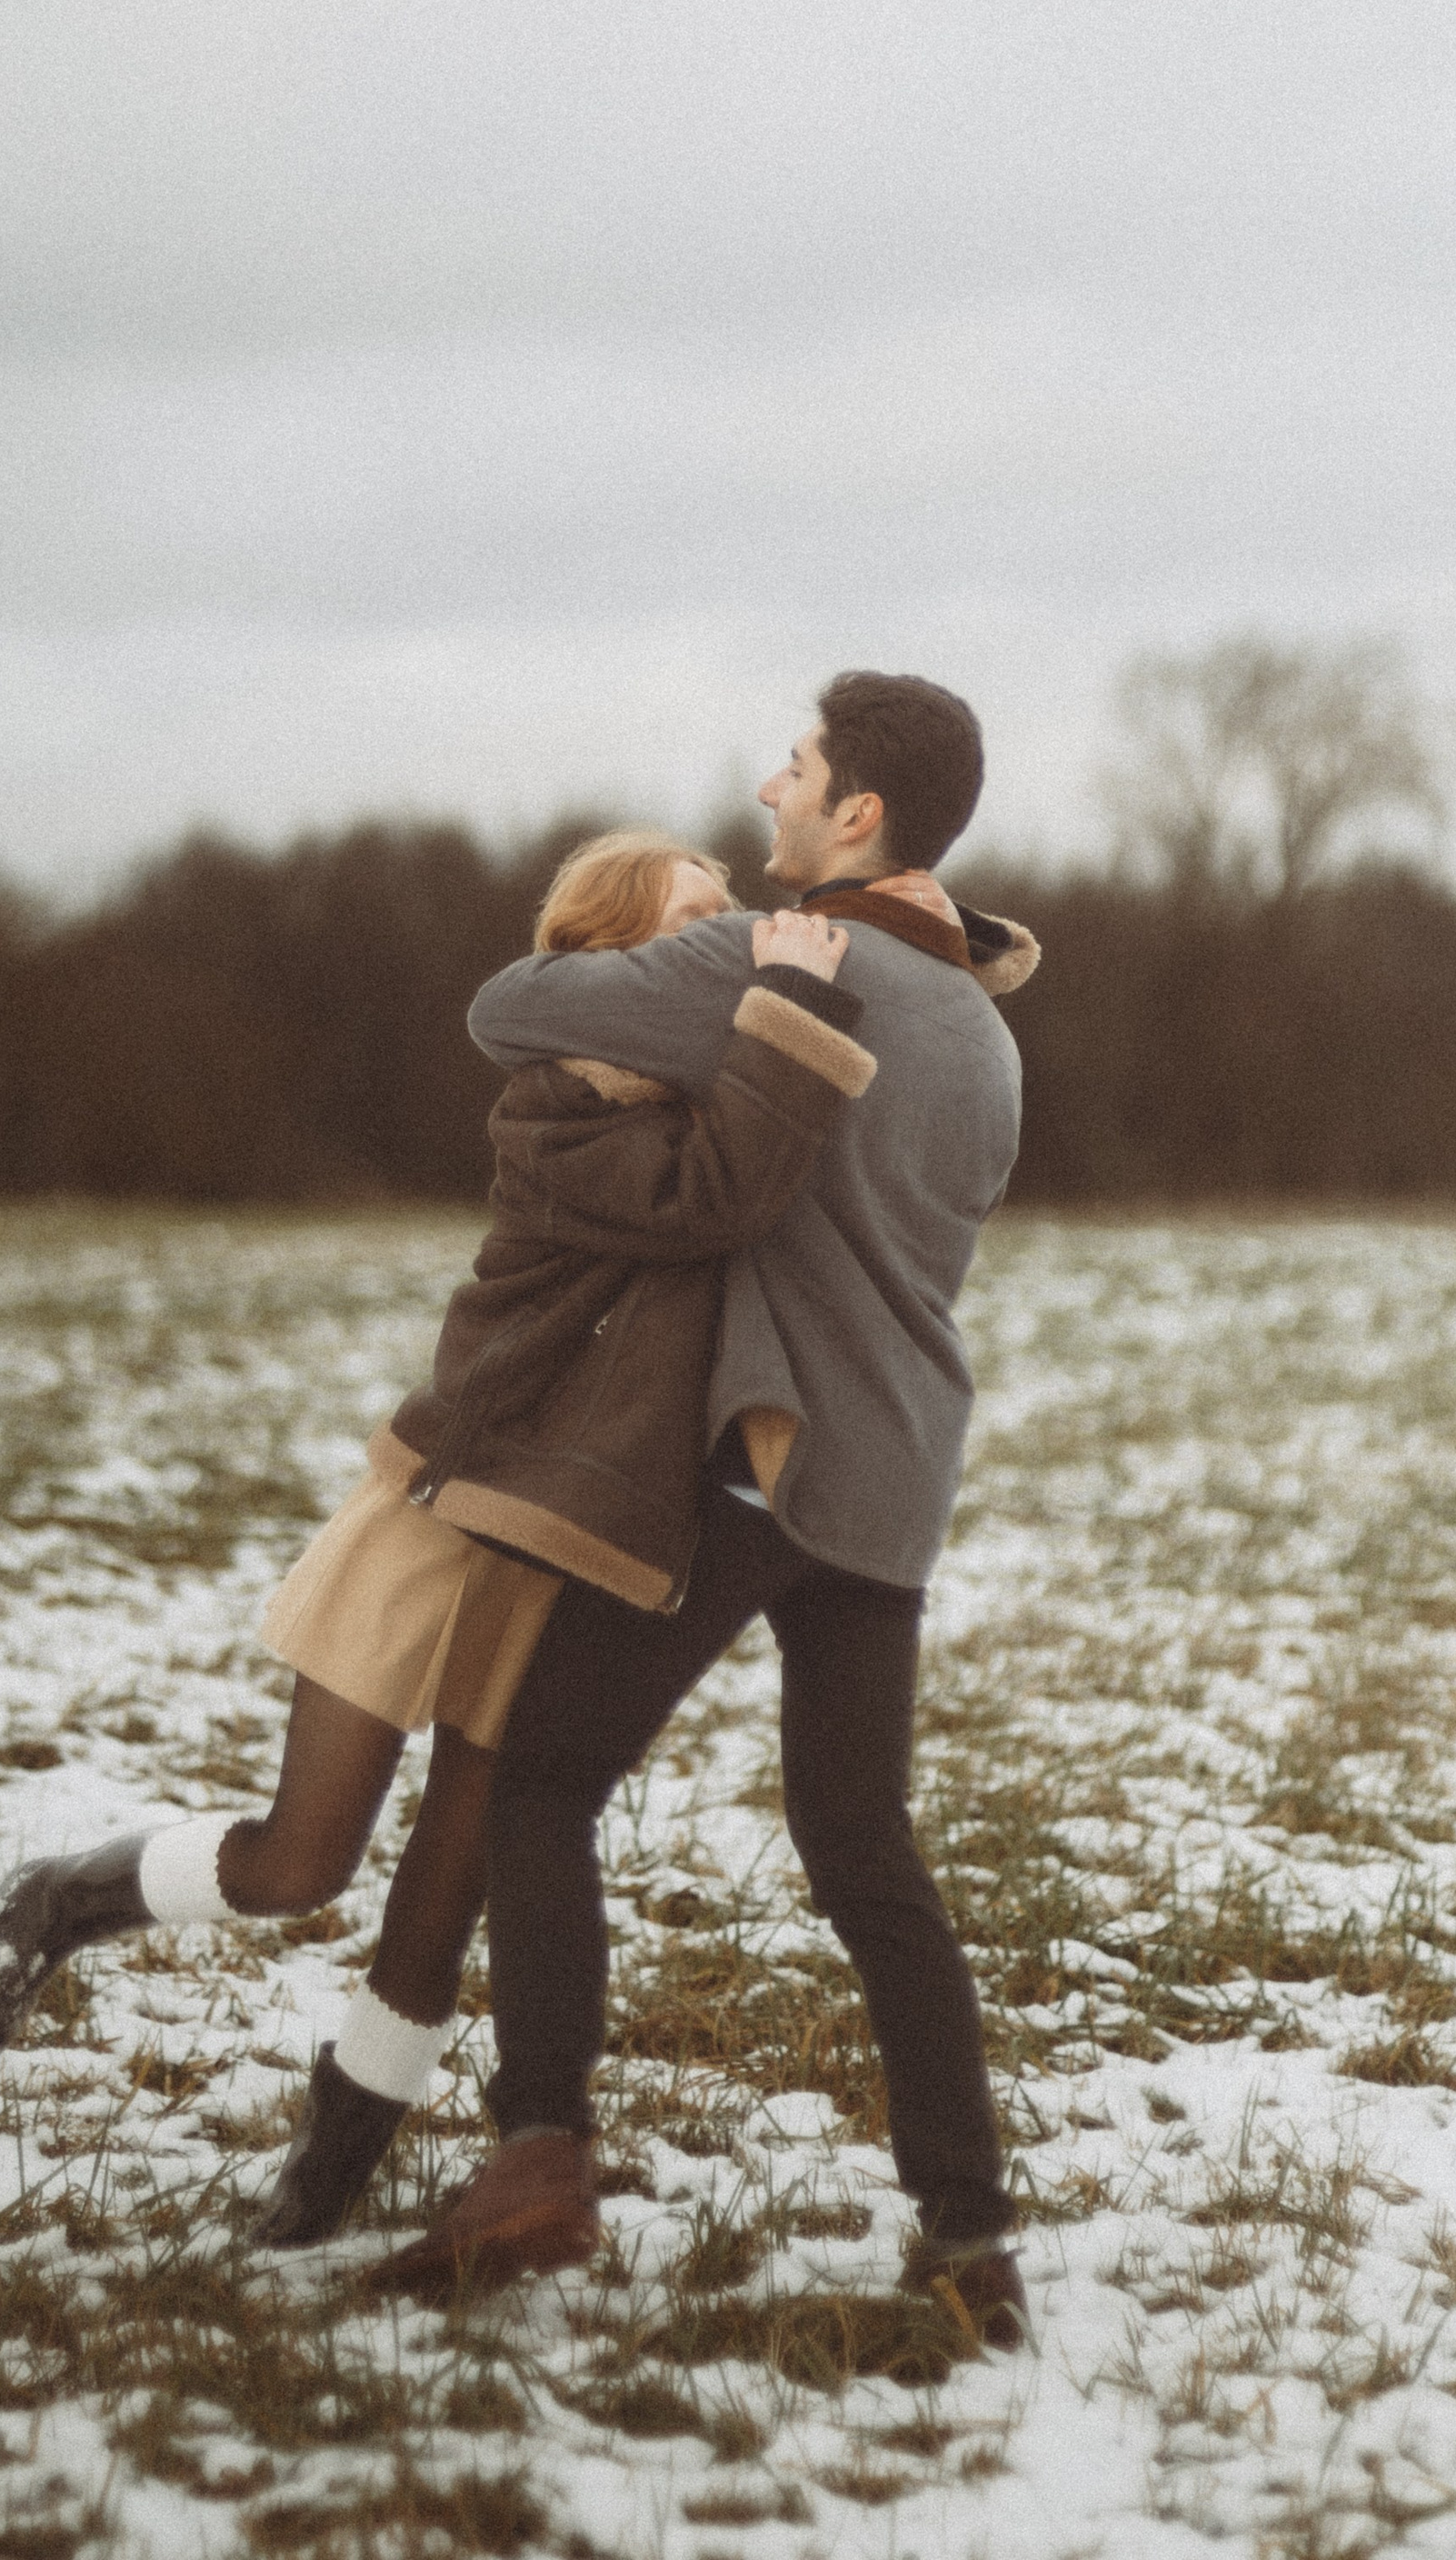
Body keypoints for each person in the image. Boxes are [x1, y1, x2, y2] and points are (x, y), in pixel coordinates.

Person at [0, 827, 878, 2243]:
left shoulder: (733, 1095)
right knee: (300, 1864)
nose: (724, 951)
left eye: (729, 926)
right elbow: (714, 1195)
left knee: (447, 1898)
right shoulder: (558, 1109)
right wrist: (798, 1016)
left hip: (579, 1559)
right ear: (603, 963)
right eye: (689, 931)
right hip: (450, 1514)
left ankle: (330, 2170)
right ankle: (71, 1898)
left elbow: (787, 1160)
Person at [372, 672, 1040, 2351]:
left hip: (768, 1454)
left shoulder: (776, 959)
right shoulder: (988, 1025)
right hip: (897, 1471)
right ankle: (972, 2238)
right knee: (863, 1847)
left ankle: (536, 2163)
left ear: (859, 814)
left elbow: (509, 1011)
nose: (768, 790)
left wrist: (746, 990)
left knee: (540, 1780)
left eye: (797, 770)